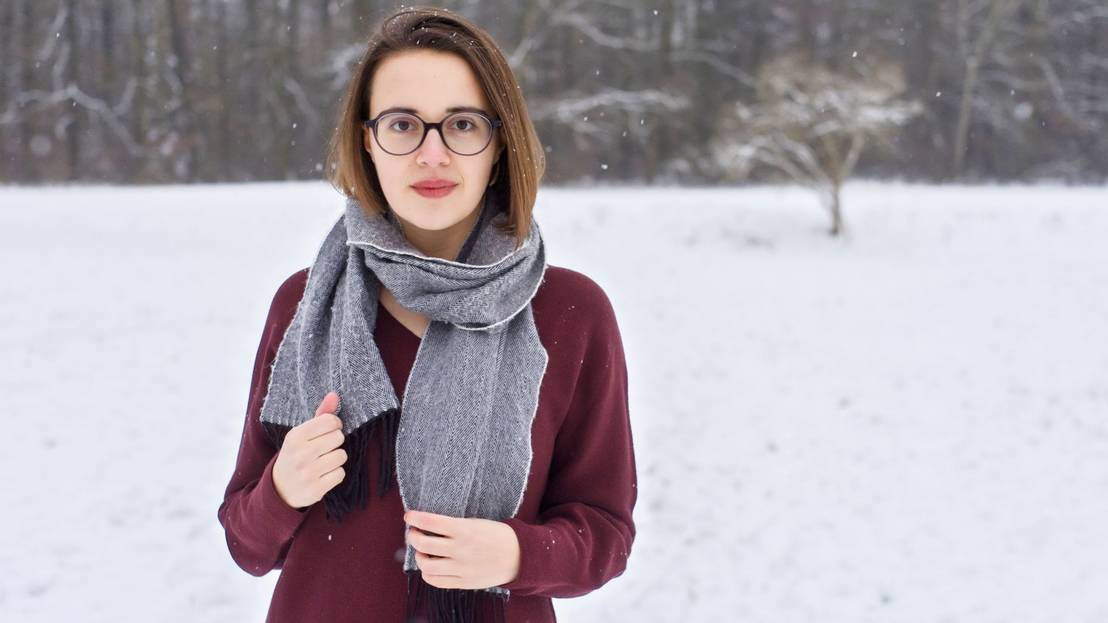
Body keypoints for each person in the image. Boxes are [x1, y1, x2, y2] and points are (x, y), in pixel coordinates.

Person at [216, 6, 637, 623]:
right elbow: (246, 544)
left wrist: (520, 554)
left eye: (463, 124)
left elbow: (605, 533)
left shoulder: (571, 313)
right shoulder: (305, 306)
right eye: (403, 124)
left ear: (499, 144)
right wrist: (282, 489)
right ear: (368, 141)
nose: (432, 154)